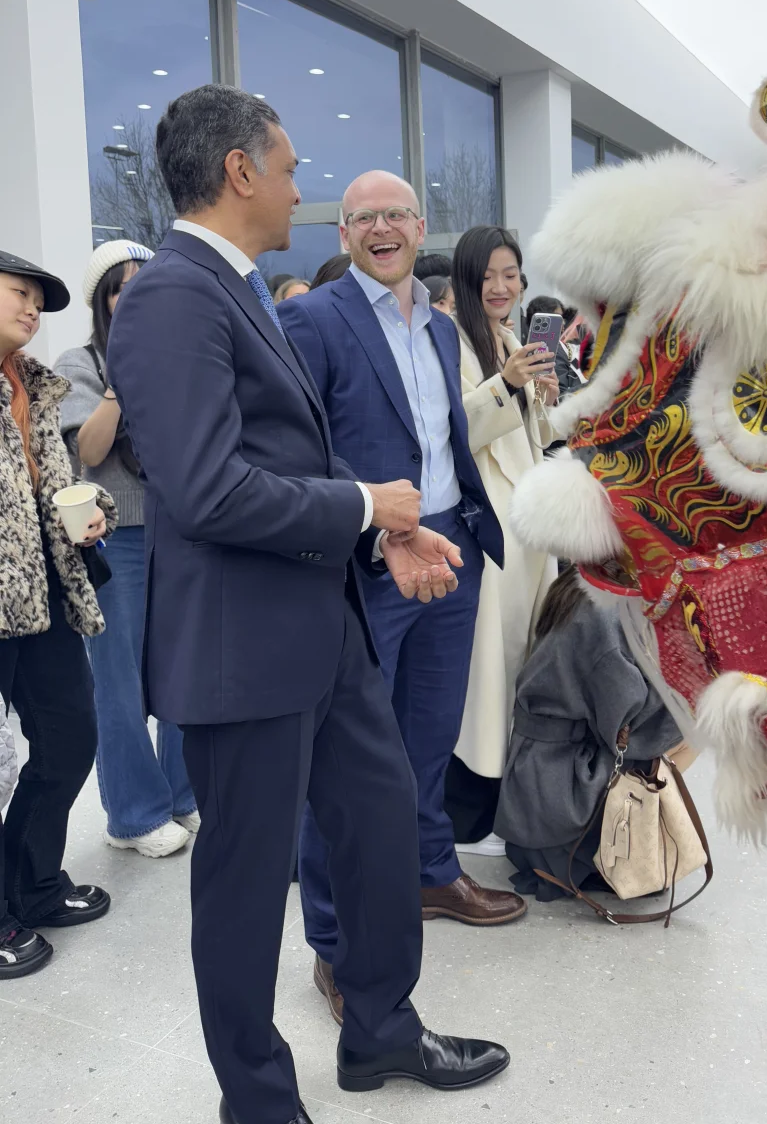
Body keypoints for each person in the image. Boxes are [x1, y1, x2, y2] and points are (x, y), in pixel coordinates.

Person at [107, 85, 509, 1124]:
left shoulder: (245, 286)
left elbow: (293, 449)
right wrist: (366, 500)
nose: (304, 192)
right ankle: (259, 1100)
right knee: (244, 892)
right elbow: (202, 487)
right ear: (239, 172)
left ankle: (382, 1030)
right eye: (289, 170)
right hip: (242, 655)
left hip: (322, 632)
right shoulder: (172, 295)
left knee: (378, 832)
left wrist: (385, 527)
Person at [280, 172, 523, 1026]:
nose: (382, 228)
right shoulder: (311, 319)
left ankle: (429, 872)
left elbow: (444, 434)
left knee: (427, 737)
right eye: (363, 217)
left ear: (423, 228)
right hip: (372, 563)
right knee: (346, 764)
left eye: (396, 215)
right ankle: (333, 944)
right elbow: (292, 443)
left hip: (451, 552)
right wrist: (383, 525)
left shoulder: (436, 323)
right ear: (344, 233)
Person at [55, 241, 197, 860]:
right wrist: (121, 384)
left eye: (145, 282)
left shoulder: (179, 355)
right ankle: (133, 815)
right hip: (117, 539)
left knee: (180, 672)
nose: (133, 294)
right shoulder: (78, 362)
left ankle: (182, 794)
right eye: (120, 286)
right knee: (118, 680)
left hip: (181, 532)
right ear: (101, 300)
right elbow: (87, 451)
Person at [0, 251, 114, 981]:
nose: (32, 309)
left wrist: (91, 511)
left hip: (41, 593)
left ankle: (34, 886)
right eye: (19, 294)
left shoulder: (33, 384)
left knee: (70, 741)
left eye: (38, 301)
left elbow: (56, 483)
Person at [445, 226, 558, 853]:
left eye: (510, 273)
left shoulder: (511, 338)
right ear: (467, 278)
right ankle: (470, 802)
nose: (500, 285)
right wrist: (509, 384)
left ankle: (505, 795)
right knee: (486, 667)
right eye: (488, 274)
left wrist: (541, 395)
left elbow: (530, 433)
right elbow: (453, 428)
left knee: (519, 658)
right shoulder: (452, 339)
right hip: (489, 524)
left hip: (528, 523)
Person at [495, 569, 682, 900]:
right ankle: (588, 862)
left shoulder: (581, 584)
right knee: (667, 731)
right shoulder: (606, 615)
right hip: (563, 788)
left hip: (538, 776)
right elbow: (630, 723)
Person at [523, 294, 583, 398]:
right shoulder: (550, 349)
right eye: (557, 318)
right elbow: (562, 391)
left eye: (562, 318)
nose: (562, 323)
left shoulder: (565, 346)